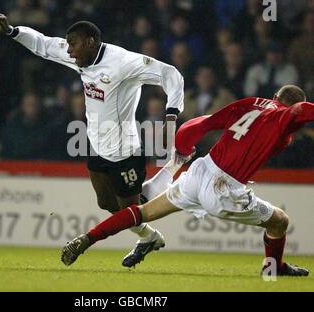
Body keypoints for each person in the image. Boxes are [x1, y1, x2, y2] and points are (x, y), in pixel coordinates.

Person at [0, 12, 185, 267]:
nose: (68, 51)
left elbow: (171, 74)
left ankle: (171, 171)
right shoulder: (80, 57)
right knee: (106, 203)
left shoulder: (123, 62)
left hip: (126, 152)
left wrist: (171, 113)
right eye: (67, 44)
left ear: (90, 42)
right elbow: (44, 45)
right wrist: (13, 30)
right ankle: (150, 237)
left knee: (133, 211)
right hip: (98, 148)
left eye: (73, 44)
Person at [61, 85, 312, 277]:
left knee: (142, 212)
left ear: (275, 95)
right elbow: (299, 111)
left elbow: (205, 122)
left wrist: (183, 146)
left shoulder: (253, 104)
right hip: (224, 188)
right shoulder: (285, 116)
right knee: (280, 221)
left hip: (201, 170)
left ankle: (88, 238)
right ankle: (274, 267)